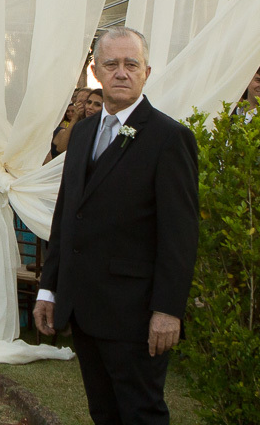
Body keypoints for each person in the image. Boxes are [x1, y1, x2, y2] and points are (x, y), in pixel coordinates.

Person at [35, 26, 199, 425]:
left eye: (131, 64)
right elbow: (66, 214)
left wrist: (167, 310)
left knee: (141, 413)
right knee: (103, 412)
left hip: (136, 314)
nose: (121, 72)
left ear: (147, 71)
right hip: (84, 306)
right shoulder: (84, 131)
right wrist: (49, 287)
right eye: (111, 64)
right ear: (96, 71)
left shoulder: (169, 138)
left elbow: (180, 235)